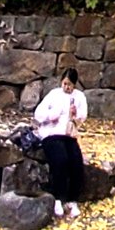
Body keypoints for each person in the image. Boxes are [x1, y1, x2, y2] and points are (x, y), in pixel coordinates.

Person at [33, 66, 88, 219]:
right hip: (51, 133)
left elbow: (82, 117)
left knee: (76, 162)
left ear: (74, 84)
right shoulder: (54, 94)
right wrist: (52, 115)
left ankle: (72, 200)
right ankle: (58, 198)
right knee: (60, 160)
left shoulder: (79, 97)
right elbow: (39, 114)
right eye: (64, 83)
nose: (66, 87)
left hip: (69, 134)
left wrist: (75, 115)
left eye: (69, 85)